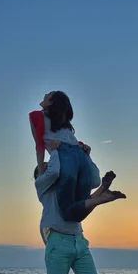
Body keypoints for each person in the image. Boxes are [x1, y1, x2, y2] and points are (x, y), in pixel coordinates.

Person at [34, 139, 125, 274]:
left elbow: (86, 202)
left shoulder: (68, 189)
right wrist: (58, 149)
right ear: (38, 176)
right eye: (43, 167)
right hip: (58, 241)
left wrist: (103, 188)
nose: (49, 167)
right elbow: (55, 169)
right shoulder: (43, 186)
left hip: (79, 241)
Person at [30, 90, 112, 222]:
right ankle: (100, 197)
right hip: (72, 152)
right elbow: (42, 146)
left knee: (73, 206)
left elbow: (39, 146)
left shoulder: (43, 119)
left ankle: (100, 196)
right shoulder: (46, 119)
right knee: (79, 200)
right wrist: (41, 173)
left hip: (69, 152)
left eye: (48, 95)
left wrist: (42, 171)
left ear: (51, 102)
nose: (45, 95)